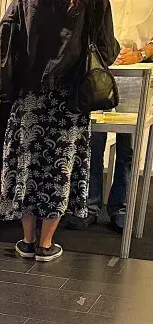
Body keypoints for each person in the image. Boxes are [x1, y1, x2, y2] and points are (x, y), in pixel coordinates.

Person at [0, 0, 118, 262]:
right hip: (69, 99)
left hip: (28, 96)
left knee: (26, 164)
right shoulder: (94, 2)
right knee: (59, 167)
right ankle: (46, 243)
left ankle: (27, 240)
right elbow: (107, 50)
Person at [74, 0, 152, 231]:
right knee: (94, 140)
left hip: (138, 74)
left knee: (128, 146)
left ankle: (121, 208)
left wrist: (140, 53)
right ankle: (89, 206)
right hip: (100, 70)